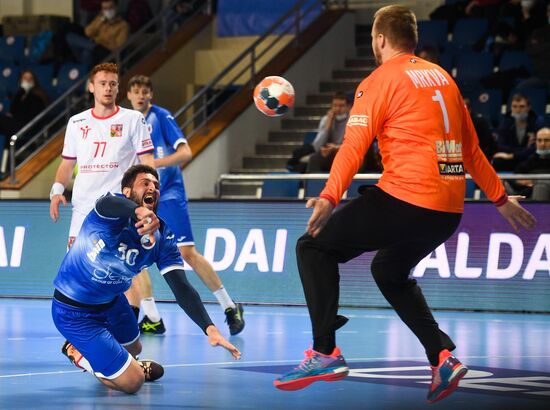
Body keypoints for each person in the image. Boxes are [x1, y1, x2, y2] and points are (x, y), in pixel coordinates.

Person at [274, 5, 537, 404]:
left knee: (312, 247)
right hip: (448, 209)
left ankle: (325, 352)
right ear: (412, 39)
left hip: (407, 197)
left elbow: (353, 148)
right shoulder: (444, 78)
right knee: (389, 270)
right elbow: (472, 151)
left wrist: (329, 196)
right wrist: (498, 198)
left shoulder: (379, 81)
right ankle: (442, 355)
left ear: (379, 39)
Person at [52, 164, 240, 394]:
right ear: (128, 192)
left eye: (156, 185)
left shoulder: (163, 237)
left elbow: (181, 286)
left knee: (134, 346)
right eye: (145, 183)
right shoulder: (108, 214)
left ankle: (122, 364)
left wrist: (209, 327)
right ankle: (78, 353)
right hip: (74, 311)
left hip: (112, 303)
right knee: (133, 383)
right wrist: (137, 212)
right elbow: (107, 203)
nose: (153, 187)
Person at [126, 75, 245, 335]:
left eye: (145, 91)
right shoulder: (126, 121)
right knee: (134, 255)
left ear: (151, 95)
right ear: (129, 95)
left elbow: (186, 153)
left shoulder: (162, 117)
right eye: (136, 91)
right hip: (139, 198)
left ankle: (229, 306)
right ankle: (152, 317)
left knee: (187, 253)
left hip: (167, 193)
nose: (141, 95)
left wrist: (151, 166)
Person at [50, 62, 154, 249]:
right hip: (83, 210)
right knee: (78, 274)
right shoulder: (76, 122)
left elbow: (147, 162)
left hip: (120, 209)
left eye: (113, 84)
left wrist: (148, 198)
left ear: (117, 88)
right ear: (91, 87)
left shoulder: (133, 119)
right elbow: (67, 164)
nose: (108, 88)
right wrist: (56, 192)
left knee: (122, 274)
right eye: (102, 83)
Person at [286, 92, 351, 173]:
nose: (338, 108)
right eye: (335, 106)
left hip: (344, 151)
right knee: (314, 159)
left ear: (348, 107)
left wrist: (337, 147)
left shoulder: (351, 120)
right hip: (328, 151)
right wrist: (328, 125)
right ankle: (313, 185)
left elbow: (352, 144)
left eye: (341, 106)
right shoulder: (326, 119)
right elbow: (317, 145)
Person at [66, 0, 130, 67]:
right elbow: (88, 32)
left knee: (86, 53)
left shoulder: (123, 25)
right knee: (70, 37)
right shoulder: (101, 19)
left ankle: (86, 71)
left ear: (116, 7)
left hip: (107, 53)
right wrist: (100, 21)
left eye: (110, 7)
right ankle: (88, 70)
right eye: (105, 8)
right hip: (95, 48)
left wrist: (100, 41)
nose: (108, 10)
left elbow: (118, 47)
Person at [492, 93, 545, 171]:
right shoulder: (506, 122)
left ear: (529, 107)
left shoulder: (537, 122)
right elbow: (501, 145)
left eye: (522, 106)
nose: (518, 110)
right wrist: (522, 150)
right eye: (514, 106)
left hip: (528, 158)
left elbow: (535, 148)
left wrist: (512, 155)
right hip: (514, 157)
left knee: (534, 158)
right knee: (497, 161)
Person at [0, 70, 49, 141]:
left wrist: (14, 117)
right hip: (16, 123)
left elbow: (32, 115)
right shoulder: (20, 93)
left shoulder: (38, 95)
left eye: (30, 78)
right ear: (21, 80)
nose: (28, 81)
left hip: (28, 126)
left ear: (34, 80)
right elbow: (12, 109)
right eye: (25, 78)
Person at [510, 127, 550, 199]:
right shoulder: (529, 161)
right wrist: (521, 182)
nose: (542, 144)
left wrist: (535, 181)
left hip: (544, 192)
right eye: (539, 140)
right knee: (500, 182)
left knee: (541, 185)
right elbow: (514, 179)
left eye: (546, 140)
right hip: (524, 193)